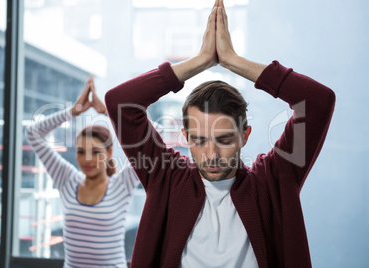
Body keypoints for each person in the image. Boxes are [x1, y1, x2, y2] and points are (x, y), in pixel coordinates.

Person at [104, 0, 335, 267]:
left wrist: (233, 61)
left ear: (244, 135)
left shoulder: (274, 179)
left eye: (224, 140)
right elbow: (120, 103)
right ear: (186, 137)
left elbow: (317, 102)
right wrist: (201, 61)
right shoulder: (166, 179)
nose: (211, 155)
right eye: (199, 140)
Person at [25, 76, 139, 268]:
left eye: (95, 152)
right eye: (80, 152)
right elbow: (33, 133)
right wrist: (72, 112)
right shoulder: (67, 178)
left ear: (109, 152)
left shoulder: (123, 184)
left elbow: (155, 136)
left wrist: (107, 112)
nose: (87, 159)